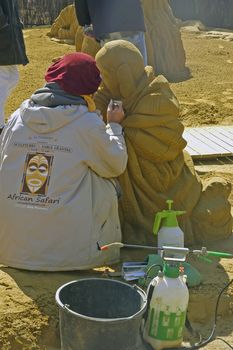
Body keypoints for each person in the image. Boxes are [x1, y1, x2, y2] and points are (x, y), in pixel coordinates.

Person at [94, 40, 232, 247]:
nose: (101, 80)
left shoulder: (157, 100)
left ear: (122, 76)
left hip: (158, 179)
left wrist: (117, 126)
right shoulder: (121, 92)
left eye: (105, 74)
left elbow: (156, 146)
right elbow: (102, 98)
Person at [0, 52, 128, 271]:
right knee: (104, 180)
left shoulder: (17, 117)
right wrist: (114, 127)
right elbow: (115, 164)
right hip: (66, 257)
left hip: (9, 250)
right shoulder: (85, 123)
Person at [74, 0, 147, 65]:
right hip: (132, 23)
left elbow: (81, 6)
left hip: (106, 27)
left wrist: (85, 24)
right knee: (140, 72)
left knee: (112, 72)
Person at [0, 0, 29, 134]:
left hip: (7, 34)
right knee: (3, 83)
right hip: (3, 36)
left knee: (12, 77)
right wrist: (4, 22)